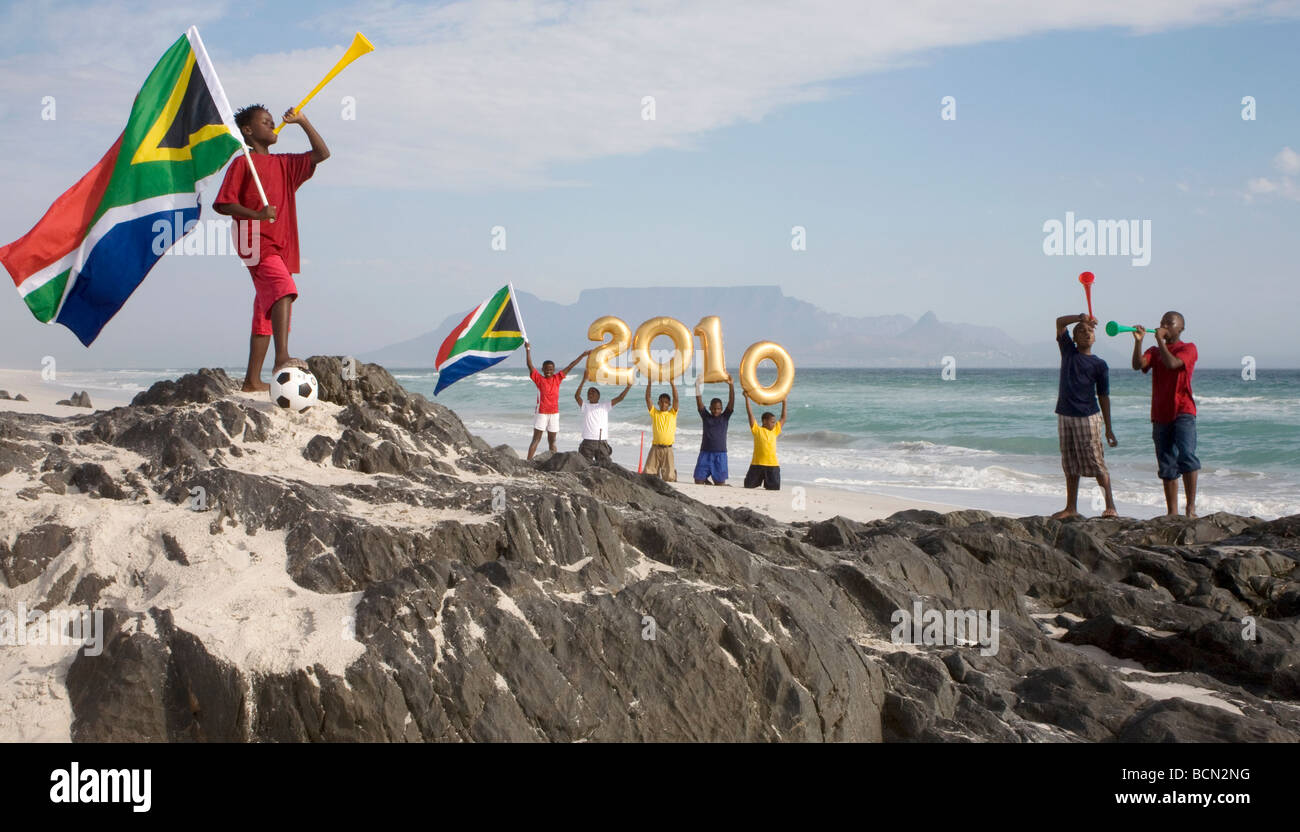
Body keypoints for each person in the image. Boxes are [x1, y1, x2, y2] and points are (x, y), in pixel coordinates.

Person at [214, 104, 329, 393]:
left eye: (272, 121)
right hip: (253, 240)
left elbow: (321, 154)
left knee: (265, 308)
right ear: (248, 131)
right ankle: (282, 357)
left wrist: (303, 121)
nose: (272, 125)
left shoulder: (285, 164)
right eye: (265, 122)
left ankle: (252, 381)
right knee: (283, 288)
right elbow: (224, 203)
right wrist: (257, 215)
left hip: (280, 244)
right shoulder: (243, 163)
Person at [1131, 312, 1200, 517]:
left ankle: (1190, 508)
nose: (1164, 326)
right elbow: (1137, 365)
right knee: (1166, 462)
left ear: (1180, 328)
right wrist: (1138, 343)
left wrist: (1160, 341)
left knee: (1187, 456)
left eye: (1169, 324)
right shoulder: (1154, 350)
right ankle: (1172, 512)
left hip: (1183, 410)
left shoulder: (1188, 348)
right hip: (1160, 413)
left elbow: (1173, 364)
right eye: (1162, 323)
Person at [1052, 313, 1118, 519]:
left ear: (1095, 337)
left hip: (1088, 416)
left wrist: (1108, 428)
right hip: (1065, 414)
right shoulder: (1068, 352)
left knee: (1096, 461)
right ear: (1074, 338)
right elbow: (1059, 322)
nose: (1086, 333)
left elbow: (1104, 396)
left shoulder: (1100, 364)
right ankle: (1071, 507)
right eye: (1081, 330)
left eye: (1090, 330)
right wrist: (1080, 317)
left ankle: (1110, 506)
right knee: (1069, 463)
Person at [524, 343, 589, 460]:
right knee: (536, 439)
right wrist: (527, 349)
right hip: (542, 413)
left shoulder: (557, 378)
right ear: (542, 369)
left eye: (551, 369)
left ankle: (553, 462)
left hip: (554, 413)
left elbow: (570, 366)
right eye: (546, 369)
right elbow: (530, 365)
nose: (548, 371)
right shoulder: (539, 379)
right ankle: (528, 461)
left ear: (554, 370)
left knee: (552, 440)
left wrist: (583, 355)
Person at [574, 371, 633, 463]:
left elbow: (620, 398)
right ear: (588, 397)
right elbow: (577, 396)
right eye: (589, 392)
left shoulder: (605, 406)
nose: (590, 393)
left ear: (598, 396)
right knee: (584, 465)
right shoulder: (585, 406)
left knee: (605, 465)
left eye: (593, 392)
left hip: (601, 441)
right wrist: (583, 381)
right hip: (587, 441)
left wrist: (628, 387)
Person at [694, 377, 735, 485]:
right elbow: (699, 402)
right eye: (714, 408)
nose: (716, 410)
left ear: (721, 409)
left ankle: (713, 479)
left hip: (720, 454)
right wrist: (697, 386)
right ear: (710, 408)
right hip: (705, 452)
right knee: (698, 481)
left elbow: (731, 402)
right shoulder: (706, 416)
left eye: (718, 409)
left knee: (720, 484)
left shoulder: (725, 417)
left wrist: (731, 385)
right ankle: (705, 479)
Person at [743, 392, 786, 490]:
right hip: (757, 464)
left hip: (772, 465)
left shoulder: (775, 430)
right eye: (772, 422)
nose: (774, 424)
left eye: (774, 422)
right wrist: (747, 399)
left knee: (774, 488)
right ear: (764, 421)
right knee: (748, 486)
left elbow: (783, 418)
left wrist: (784, 402)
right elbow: (750, 414)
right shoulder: (757, 430)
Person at [643, 377, 679, 481]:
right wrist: (649, 383)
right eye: (661, 402)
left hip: (668, 449)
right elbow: (647, 398)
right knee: (648, 475)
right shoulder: (654, 413)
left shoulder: (672, 413)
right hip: (655, 448)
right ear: (658, 403)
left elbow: (676, 399)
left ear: (669, 404)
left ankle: (673, 473)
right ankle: (657, 474)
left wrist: (672, 383)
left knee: (669, 478)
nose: (664, 404)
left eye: (666, 402)